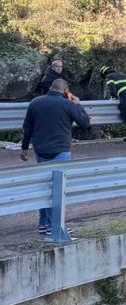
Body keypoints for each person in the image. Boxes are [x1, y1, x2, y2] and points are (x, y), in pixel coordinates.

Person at [21, 79, 90, 235]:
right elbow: (85, 122)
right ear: (66, 91)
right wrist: (78, 104)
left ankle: (44, 223)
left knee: (45, 187)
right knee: (58, 189)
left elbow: (27, 127)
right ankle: (55, 226)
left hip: (41, 150)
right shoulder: (68, 104)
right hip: (60, 151)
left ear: (51, 88)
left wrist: (24, 148)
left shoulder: (35, 103)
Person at [101, 66, 126, 142]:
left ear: (104, 73)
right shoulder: (124, 75)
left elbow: (112, 88)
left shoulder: (109, 76)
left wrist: (114, 96)